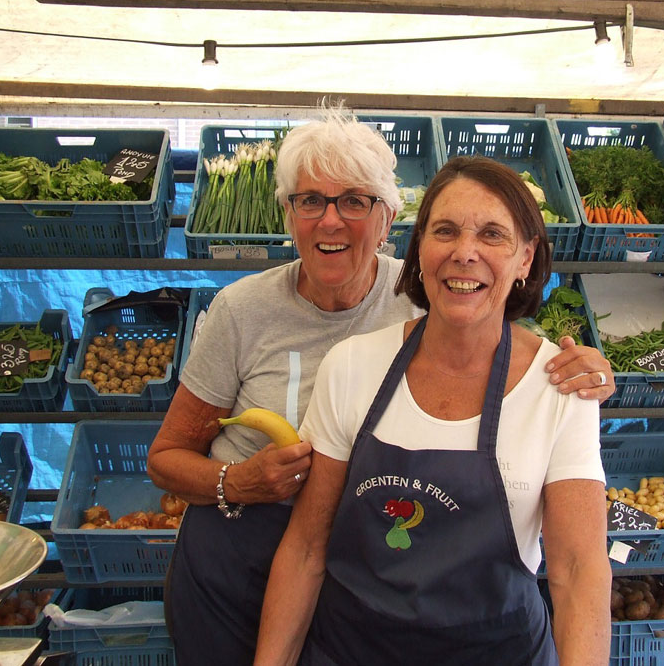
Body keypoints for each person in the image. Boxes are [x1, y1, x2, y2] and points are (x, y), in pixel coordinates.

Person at [147, 106, 614, 666]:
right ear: (289, 214)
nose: (330, 221)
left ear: (390, 218)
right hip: (246, 555)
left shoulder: (433, 291)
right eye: (309, 201)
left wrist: (586, 372)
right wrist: (240, 482)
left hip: (385, 580)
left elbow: (578, 567)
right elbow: (173, 460)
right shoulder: (246, 313)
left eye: (353, 201)